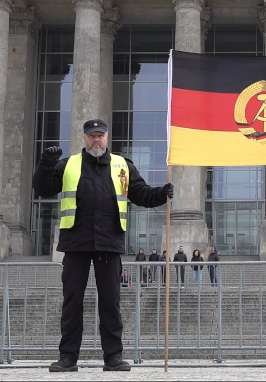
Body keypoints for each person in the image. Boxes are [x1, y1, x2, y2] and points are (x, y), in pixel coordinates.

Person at [33, 119, 174, 373]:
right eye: (91, 136)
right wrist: (46, 164)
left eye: (100, 135)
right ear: (84, 139)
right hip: (76, 243)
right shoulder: (68, 165)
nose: (96, 140)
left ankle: (113, 357)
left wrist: (161, 193)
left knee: (111, 302)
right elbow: (42, 188)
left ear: (107, 138)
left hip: (109, 244)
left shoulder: (122, 165)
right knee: (72, 301)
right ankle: (67, 357)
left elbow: (140, 193)